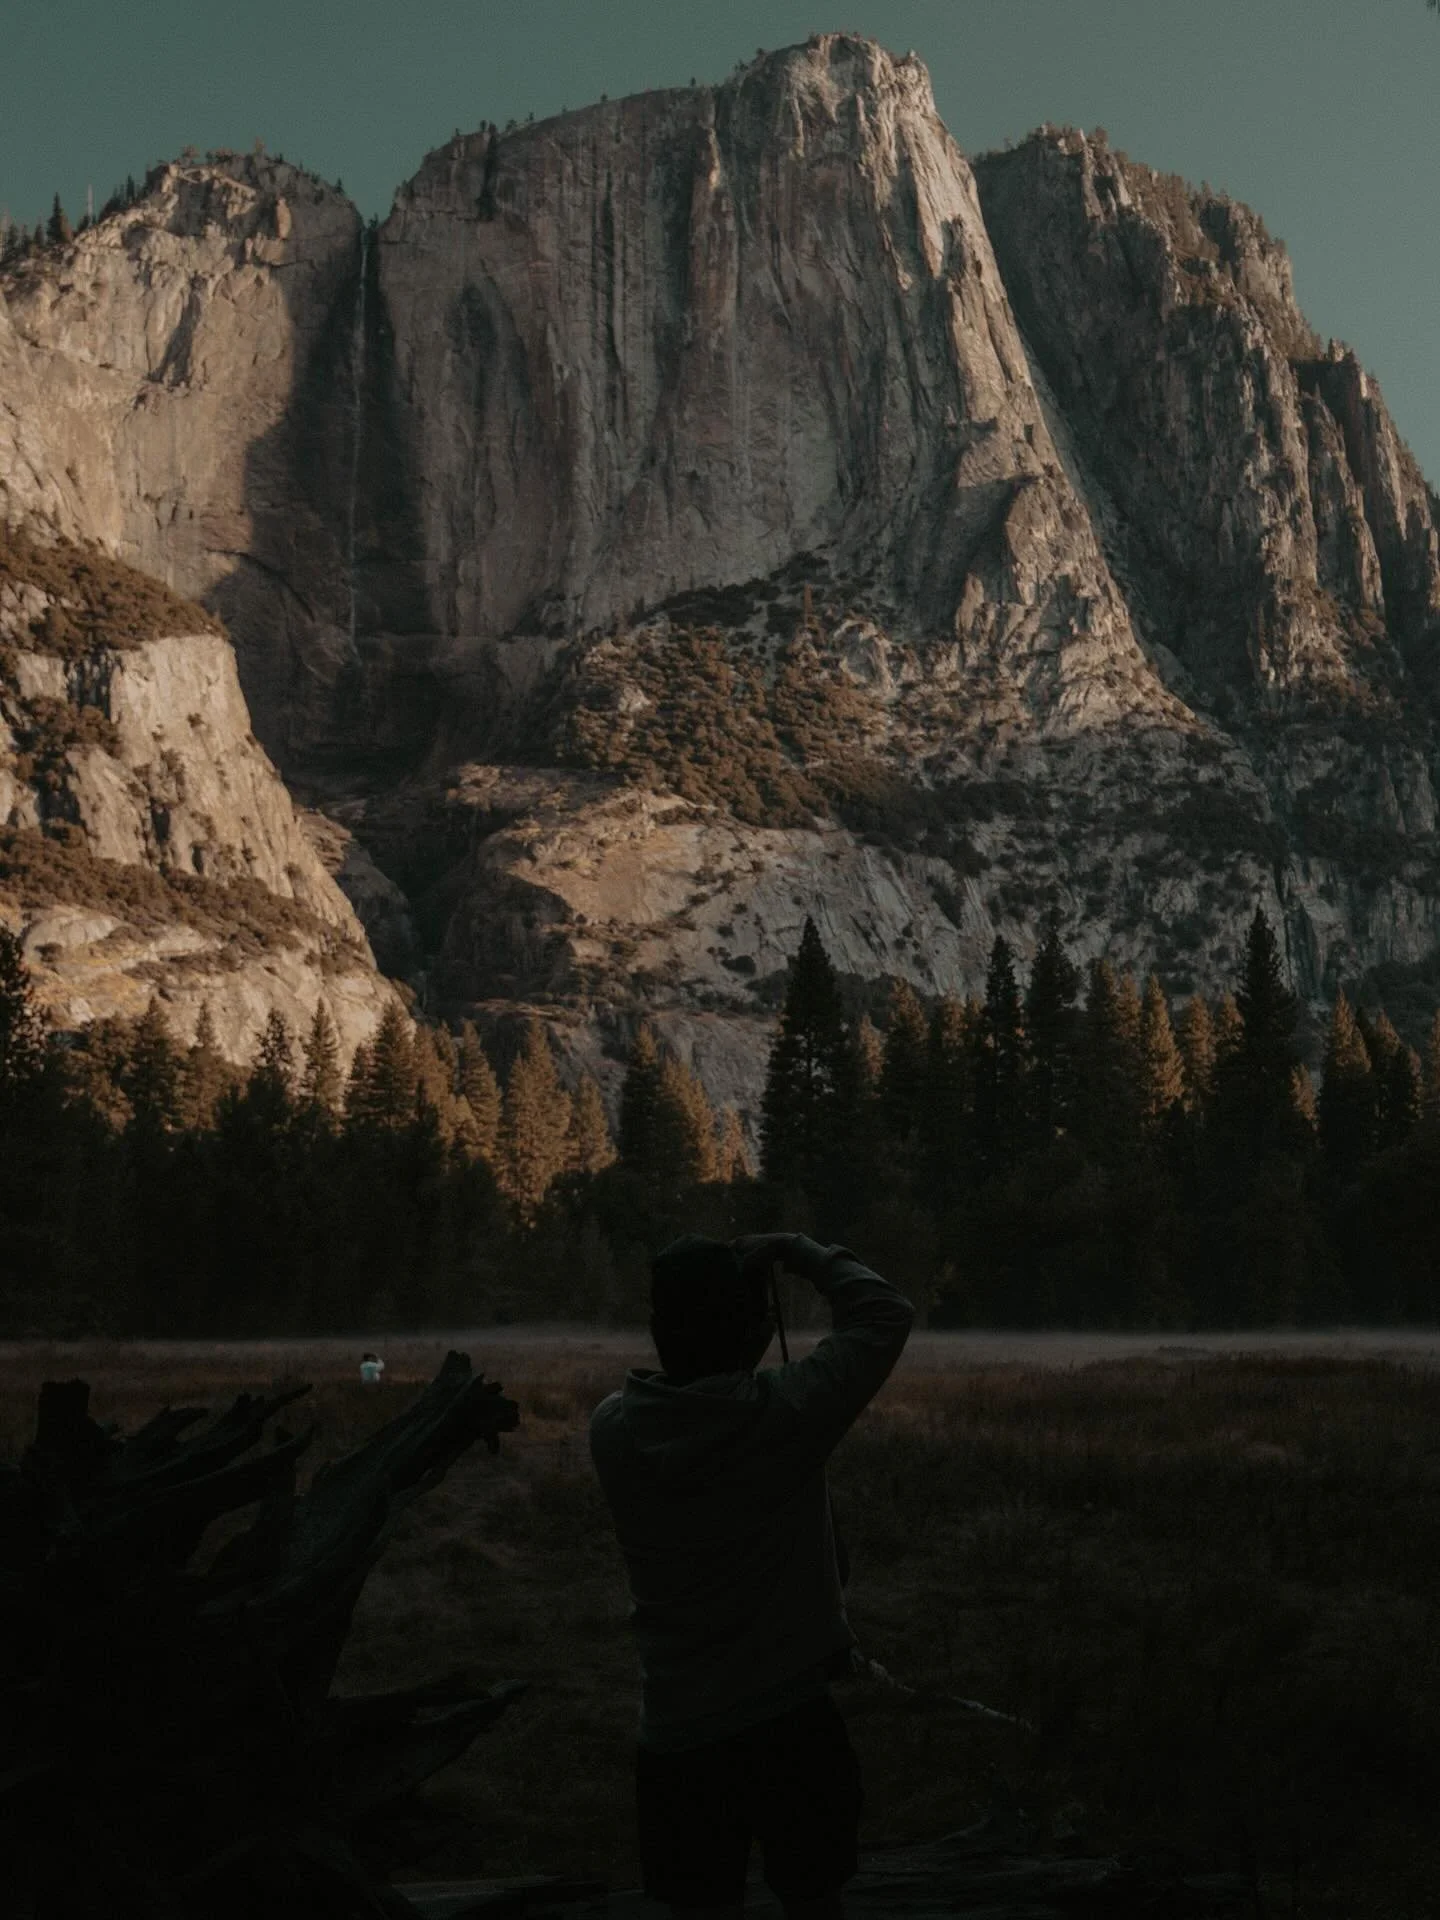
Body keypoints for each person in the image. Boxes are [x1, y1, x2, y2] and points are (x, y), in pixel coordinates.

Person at [588, 1230, 914, 1920]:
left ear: (657, 1330)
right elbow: (885, 1313)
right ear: (758, 1332)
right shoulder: (788, 1414)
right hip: (791, 1723)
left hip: (675, 1733)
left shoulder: (613, 1431)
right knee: (814, 1899)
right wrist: (801, 1253)